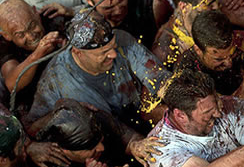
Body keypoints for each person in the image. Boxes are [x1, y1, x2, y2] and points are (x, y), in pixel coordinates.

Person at [27, 12, 170, 130]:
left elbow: (159, 78)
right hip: (104, 140)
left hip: (143, 115)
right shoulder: (56, 79)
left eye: (113, 47)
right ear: (78, 53)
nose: (113, 54)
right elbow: (33, 127)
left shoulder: (121, 39)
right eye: (104, 52)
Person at [174, 10, 244, 103]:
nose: (229, 63)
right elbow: (228, 114)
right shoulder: (186, 72)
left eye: (233, 53)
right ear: (198, 50)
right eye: (219, 59)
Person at [0, 0, 63, 111]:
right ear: (6, 36)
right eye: (20, 35)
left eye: (32, 26)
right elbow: (12, 84)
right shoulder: (4, 45)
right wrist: (38, 53)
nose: (31, 36)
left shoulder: (54, 19)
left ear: (35, 13)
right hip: (32, 104)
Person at [152, 0, 218, 67]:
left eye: (216, 0)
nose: (217, 7)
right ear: (184, 6)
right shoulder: (167, 51)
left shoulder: (207, 6)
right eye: (209, 4)